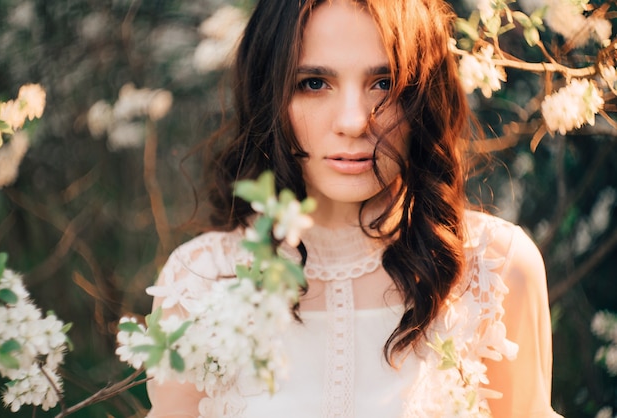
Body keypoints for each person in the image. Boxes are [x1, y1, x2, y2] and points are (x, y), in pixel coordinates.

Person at [146, 0, 562, 416]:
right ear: (269, 94)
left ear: (421, 96)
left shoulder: (494, 269)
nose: (354, 121)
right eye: (313, 83)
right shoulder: (199, 283)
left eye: (384, 82)